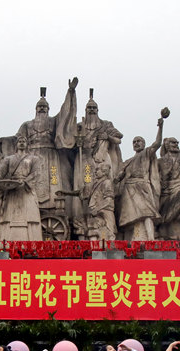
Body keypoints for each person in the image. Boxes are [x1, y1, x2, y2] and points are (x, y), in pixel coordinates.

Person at [8, 79, 78, 218]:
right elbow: (16, 139)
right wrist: (2, 141)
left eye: (44, 107)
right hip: (31, 155)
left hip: (50, 155)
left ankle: (53, 207)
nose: (42, 108)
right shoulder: (27, 124)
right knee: (32, 181)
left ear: (48, 109)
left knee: (53, 182)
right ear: (35, 109)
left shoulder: (53, 121)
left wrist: (70, 92)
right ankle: (30, 206)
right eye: (39, 106)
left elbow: (65, 113)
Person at [73, 90, 123, 239]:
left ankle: (107, 228)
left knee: (105, 190)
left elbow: (119, 138)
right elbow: (71, 143)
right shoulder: (80, 125)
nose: (92, 110)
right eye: (89, 108)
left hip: (102, 160)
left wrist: (107, 136)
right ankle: (84, 227)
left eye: (94, 108)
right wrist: (79, 142)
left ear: (97, 110)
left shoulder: (105, 124)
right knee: (85, 190)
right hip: (85, 160)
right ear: (85, 110)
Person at [115, 116, 163, 240]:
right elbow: (119, 177)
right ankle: (135, 238)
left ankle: (150, 238)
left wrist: (160, 127)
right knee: (132, 217)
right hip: (129, 189)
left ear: (144, 144)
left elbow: (157, 143)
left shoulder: (146, 153)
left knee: (147, 213)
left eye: (138, 141)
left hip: (142, 186)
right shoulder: (128, 161)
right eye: (134, 142)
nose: (136, 143)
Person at [0, 135, 43, 241]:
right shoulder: (8, 159)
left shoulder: (34, 159)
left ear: (27, 144)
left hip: (26, 190)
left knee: (30, 218)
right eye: (19, 141)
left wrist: (25, 182)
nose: (22, 142)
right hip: (11, 190)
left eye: (24, 140)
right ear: (16, 144)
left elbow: (36, 173)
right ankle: (5, 243)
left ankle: (32, 243)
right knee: (8, 218)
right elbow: (0, 172)